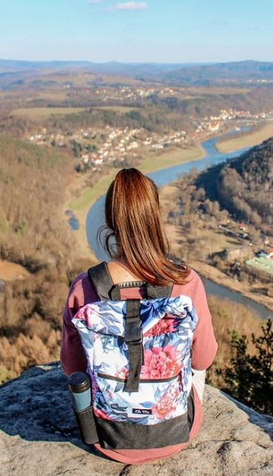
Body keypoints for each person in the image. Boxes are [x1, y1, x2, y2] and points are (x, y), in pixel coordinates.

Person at [61, 168, 218, 464]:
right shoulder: (186, 283)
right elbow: (203, 359)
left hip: (106, 436)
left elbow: (73, 367)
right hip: (176, 432)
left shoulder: (84, 288)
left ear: (109, 222)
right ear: (155, 217)